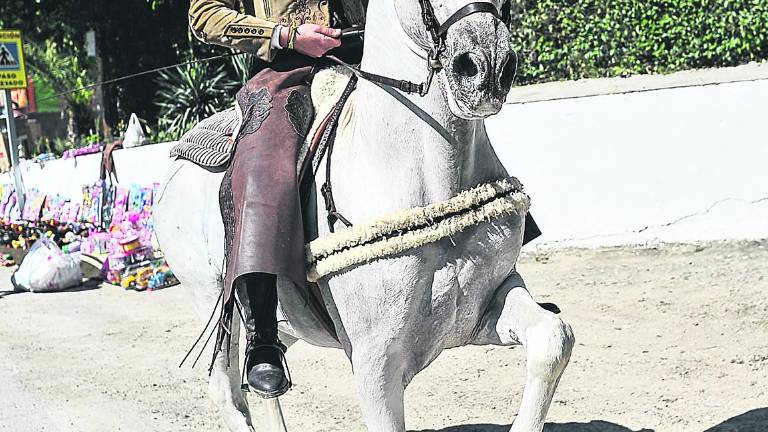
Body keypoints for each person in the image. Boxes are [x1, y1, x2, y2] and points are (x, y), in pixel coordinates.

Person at [187, 0, 364, 399]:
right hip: (286, 69)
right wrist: (283, 35)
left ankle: (493, 262)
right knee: (261, 161)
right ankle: (263, 335)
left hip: (373, 48)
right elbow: (204, 15)